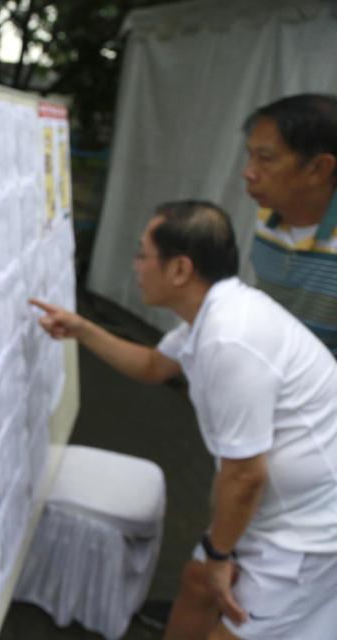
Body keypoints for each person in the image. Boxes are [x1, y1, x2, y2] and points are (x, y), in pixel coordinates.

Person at [32, 200, 337, 640]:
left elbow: (245, 475)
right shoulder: (212, 314)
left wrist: (219, 554)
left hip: (309, 534)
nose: (135, 266)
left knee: (226, 620)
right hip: (271, 509)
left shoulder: (231, 339)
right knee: (198, 584)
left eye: (143, 255)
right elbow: (154, 366)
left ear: (179, 270)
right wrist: (82, 329)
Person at [244, 94, 337, 357]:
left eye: (265, 158)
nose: (248, 172)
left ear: (319, 169)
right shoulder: (267, 218)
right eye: (250, 156)